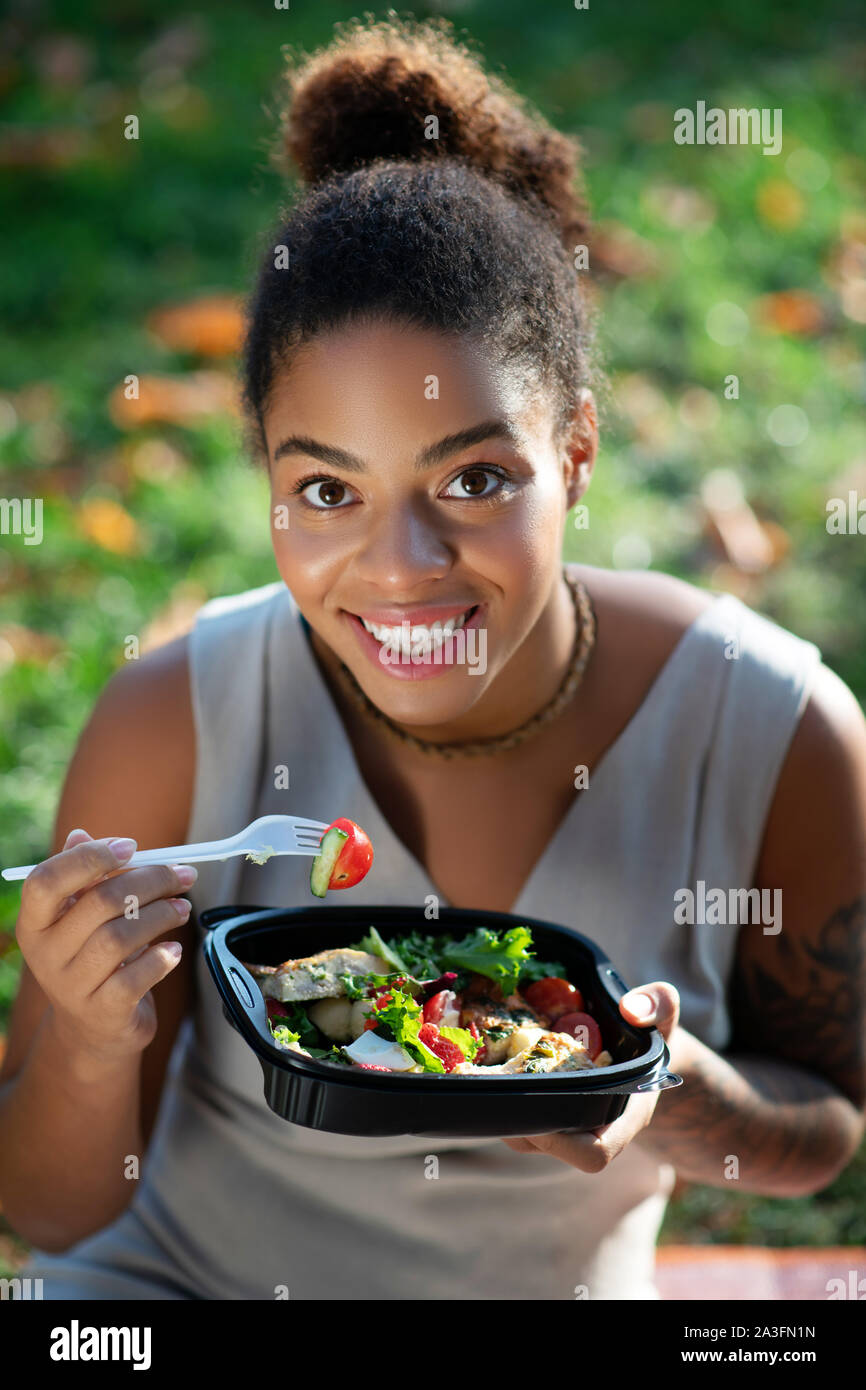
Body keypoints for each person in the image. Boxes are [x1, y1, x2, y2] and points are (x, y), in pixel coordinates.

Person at [2, 15, 864, 1301]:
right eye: (328, 492)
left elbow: (823, 1132)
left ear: (572, 452)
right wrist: (83, 1036)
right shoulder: (172, 721)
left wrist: (669, 1094)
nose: (401, 567)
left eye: (471, 477)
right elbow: (51, 1221)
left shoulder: (771, 723)